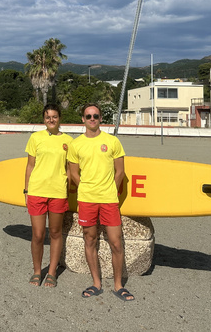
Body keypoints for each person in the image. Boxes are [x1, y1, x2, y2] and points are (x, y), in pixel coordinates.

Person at [67, 103, 134, 302]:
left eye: (95, 115)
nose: (92, 119)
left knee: (116, 242)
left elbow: (120, 171)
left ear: (101, 118)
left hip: (109, 200)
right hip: (87, 200)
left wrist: (109, 188)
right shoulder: (76, 144)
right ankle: (96, 283)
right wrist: (86, 187)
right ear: (83, 119)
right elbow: (73, 172)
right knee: (90, 240)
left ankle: (118, 285)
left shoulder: (112, 141)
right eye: (88, 116)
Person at [24, 103, 73, 287]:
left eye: (54, 116)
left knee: (55, 232)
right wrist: (26, 190)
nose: (51, 120)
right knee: (37, 234)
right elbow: (30, 166)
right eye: (47, 117)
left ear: (60, 118)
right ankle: (37, 271)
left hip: (58, 192)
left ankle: (52, 272)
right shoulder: (35, 138)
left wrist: (67, 191)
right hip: (37, 191)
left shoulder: (69, 140)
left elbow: (70, 169)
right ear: (44, 119)